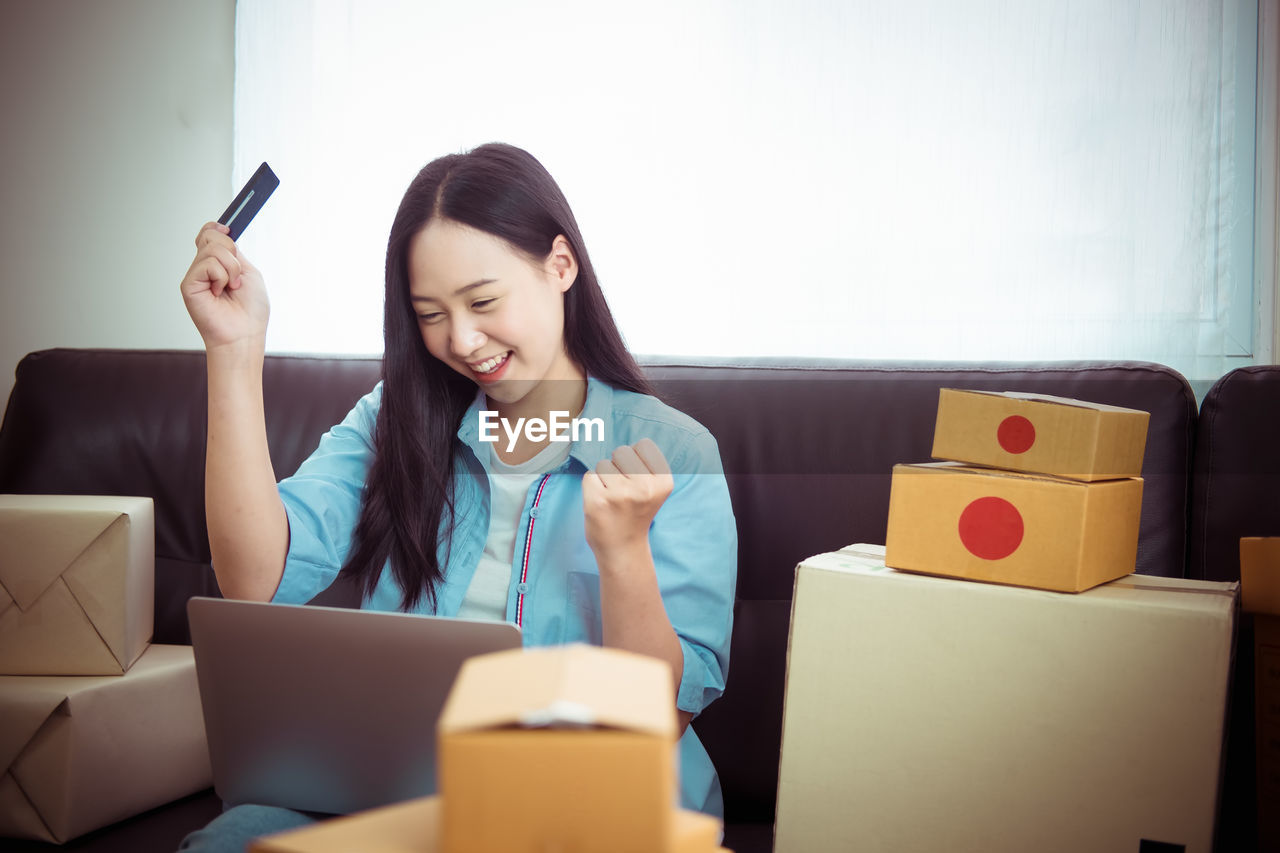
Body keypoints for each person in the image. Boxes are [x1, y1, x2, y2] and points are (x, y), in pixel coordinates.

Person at [176, 143, 737, 850]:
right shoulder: (395, 419)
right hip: (388, 791)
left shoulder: (677, 452)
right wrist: (234, 348)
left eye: (482, 301)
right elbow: (254, 577)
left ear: (560, 266)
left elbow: (661, 710)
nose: (462, 340)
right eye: (430, 313)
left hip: (584, 812)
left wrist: (623, 549)